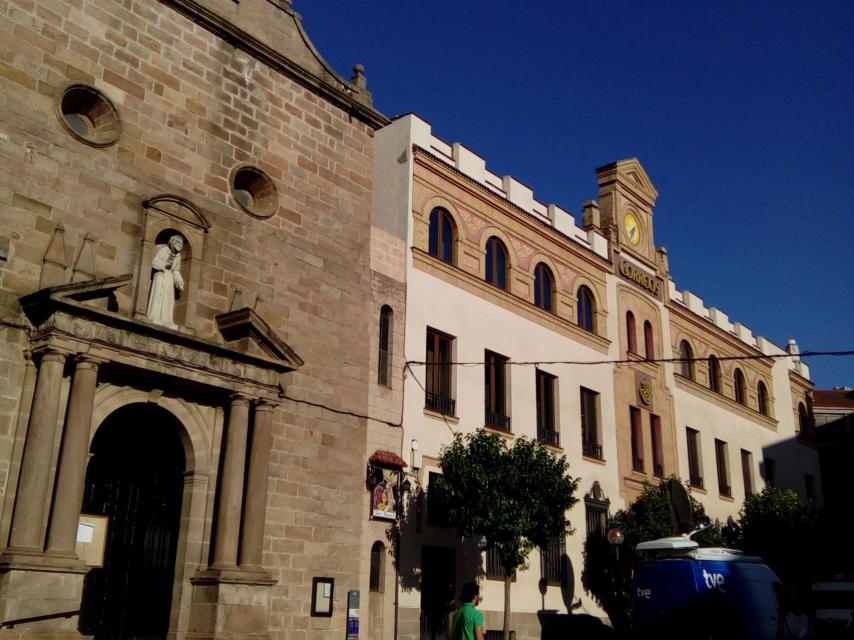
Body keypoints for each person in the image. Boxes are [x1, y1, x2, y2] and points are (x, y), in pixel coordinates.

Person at [146, 234, 185, 328]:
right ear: (172, 242)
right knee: (159, 294)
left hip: (169, 277)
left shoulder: (178, 256)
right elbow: (155, 262)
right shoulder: (164, 250)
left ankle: (166, 319)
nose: (179, 244)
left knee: (168, 297)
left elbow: (176, 270)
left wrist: (179, 281)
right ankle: (155, 315)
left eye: (181, 243)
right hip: (161, 275)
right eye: (178, 242)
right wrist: (164, 265)